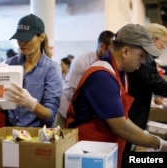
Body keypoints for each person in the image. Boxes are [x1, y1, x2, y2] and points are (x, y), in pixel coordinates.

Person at [65, 23, 167, 168]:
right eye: (141, 56)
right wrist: (159, 144)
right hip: (89, 156)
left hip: (106, 152)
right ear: (125, 51)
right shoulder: (102, 76)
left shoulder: (121, 74)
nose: (143, 62)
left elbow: (123, 117)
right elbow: (120, 126)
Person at [4, 13, 62, 127]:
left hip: (36, 136)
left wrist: (31, 104)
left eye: (27, 38)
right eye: (19, 38)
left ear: (41, 37)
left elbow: (50, 116)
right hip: (9, 133)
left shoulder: (51, 69)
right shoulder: (10, 64)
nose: (22, 43)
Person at [122, 23, 167, 165]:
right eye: (163, 43)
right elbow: (153, 82)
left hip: (135, 109)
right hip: (134, 110)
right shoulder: (146, 60)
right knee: (127, 152)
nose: (164, 47)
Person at [54, 30, 114, 128]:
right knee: (62, 139)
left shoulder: (107, 63)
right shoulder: (81, 61)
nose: (113, 54)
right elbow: (76, 94)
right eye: (111, 50)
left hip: (85, 109)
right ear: (102, 46)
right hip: (67, 106)